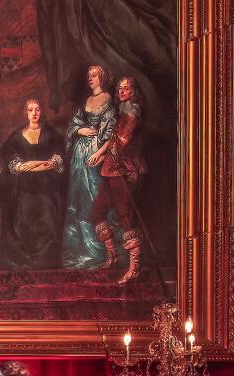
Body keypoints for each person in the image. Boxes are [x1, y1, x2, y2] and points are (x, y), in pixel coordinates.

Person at [90, 76, 148, 285]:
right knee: (97, 211)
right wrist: (104, 154)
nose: (122, 92)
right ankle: (113, 256)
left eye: (127, 88)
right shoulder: (123, 111)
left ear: (133, 92)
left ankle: (134, 268)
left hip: (126, 170)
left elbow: (122, 141)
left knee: (126, 217)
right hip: (112, 170)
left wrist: (108, 152)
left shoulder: (132, 112)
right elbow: (116, 141)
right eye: (120, 88)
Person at [0, 98, 66, 270]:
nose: (34, 113)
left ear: (42, 112)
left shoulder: (52, 135)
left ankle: (46, 260)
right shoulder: (16, 136)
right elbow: (13, 163)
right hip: (22, 188)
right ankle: (23, 260)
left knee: (48, 210)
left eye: (37, 109)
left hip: (47, 187)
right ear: (25, 113)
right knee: (22, 211)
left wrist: (31, 166)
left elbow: (56, 161)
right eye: (30, 110)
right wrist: (39, 165)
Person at [62, 65, 116, 270]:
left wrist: (99, 153)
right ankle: (81, 252)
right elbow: (73, 124)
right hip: (79, 155)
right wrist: (80, 129)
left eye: (94, 75)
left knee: (94, 197)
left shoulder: (109, 100)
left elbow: (111, 134)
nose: (90, 79)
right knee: (78, 197)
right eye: (89, 75)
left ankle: (101, 252)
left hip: (95, 155)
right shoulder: (86, 101)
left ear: (102, 77)